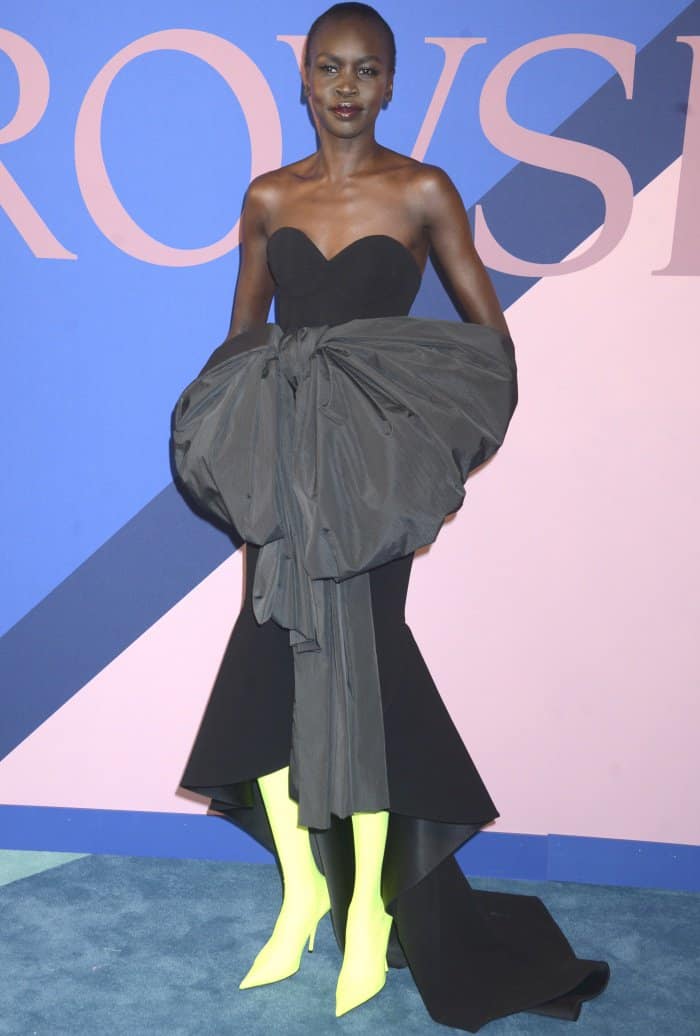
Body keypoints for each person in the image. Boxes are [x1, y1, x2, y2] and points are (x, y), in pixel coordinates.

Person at [176, 3, 610, 1030]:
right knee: (262, 678)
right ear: (303, 79)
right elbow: (239, 341)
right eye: (327, 67)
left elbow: (488, 350)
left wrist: (434, 480)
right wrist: (231, 461)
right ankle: (307, 893)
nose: (343, 86)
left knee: (363, 683)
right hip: (283, 473)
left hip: (370, 481)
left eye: (364, 70)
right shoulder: (266, 194)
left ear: (390, 83)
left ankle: (371, 918)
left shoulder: (422, 190)